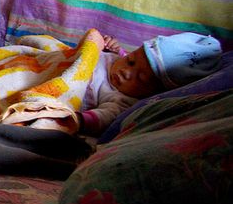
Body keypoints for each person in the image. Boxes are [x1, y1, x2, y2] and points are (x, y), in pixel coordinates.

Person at [78, 31, 221, 135]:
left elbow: (106, 118)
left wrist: (80, 121)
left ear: (154, 92)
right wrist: (106, 45)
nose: (126, 72)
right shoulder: (119, 58)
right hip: (63, 59)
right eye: (131, 61)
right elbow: (119, 54)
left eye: (140, 79)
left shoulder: (122, 99)